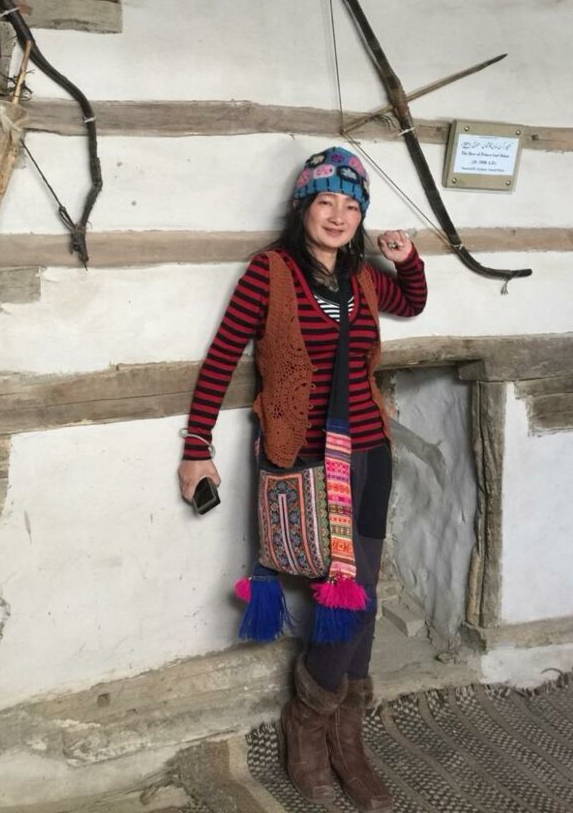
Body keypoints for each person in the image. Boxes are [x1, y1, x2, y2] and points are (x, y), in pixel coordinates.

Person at [178, 147, 427, 811]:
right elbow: (221, 357)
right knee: (345, 597)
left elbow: (412, 301)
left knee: (361, 591)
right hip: (307, 457)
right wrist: (196, 445)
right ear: (303, 207)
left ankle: (347, 731)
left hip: (370, 453)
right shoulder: (270, 272)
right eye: (326, 202)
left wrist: (406, 259)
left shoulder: (363, 276)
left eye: (351, 206)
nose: (338, 216)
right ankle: (307, 722)